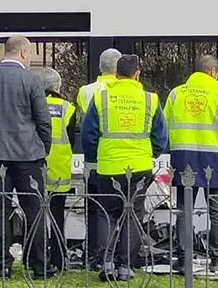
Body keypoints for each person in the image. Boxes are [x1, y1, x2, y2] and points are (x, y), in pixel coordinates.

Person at [0, 35, 57, 280]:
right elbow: (43, 120)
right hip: (28, 157)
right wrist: (43, 148)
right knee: (34, 210)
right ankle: (38, 265)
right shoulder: (31, 80)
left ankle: (2, 265)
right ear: (24, 53)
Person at [81, 54, 168, 282]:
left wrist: (96, 156)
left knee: (106, 213)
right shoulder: (151, 99)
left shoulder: (101, 98)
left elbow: (88, 134)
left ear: (116, 74)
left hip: (109, 166)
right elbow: (160, 137)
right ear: (138, 74)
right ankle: (126, 266)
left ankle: (106, 262)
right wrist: (150, 154)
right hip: (139, 167)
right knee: (133, 214)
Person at [164, 54, 218, 272]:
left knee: (183, 210)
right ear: (214, 71)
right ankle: (216, 260)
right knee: (216, 211)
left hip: (183, 157)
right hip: (214, 158)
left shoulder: (176, 93)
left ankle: (183, 259)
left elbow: (165, 122)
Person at [75, 47, 121, 270]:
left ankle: (94, 254)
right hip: (120, 161)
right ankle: (118, 255)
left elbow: (87, 126)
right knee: (122, 210)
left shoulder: (85, 91)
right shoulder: (123, 91)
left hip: (94, 161)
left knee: (95, 209)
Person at [39, 67, 76, 272]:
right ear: (58, 86)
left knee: (35, 216)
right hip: (60, 168)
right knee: (57, 215)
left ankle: (35, 256)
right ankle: (59, 259)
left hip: (37, 166)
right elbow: (70, 139)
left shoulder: (33, 105)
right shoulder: (68, 108)